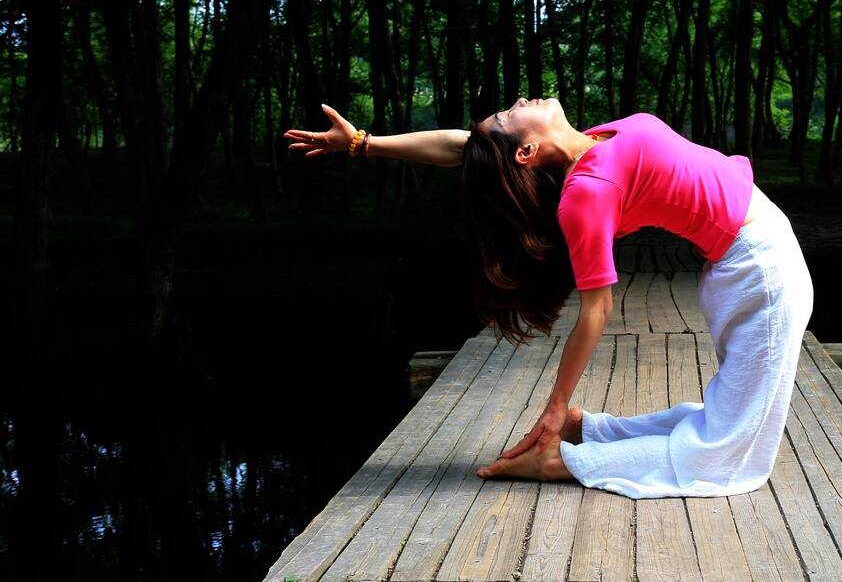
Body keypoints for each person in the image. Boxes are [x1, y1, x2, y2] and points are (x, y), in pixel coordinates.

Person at [284, 97, 814, 499]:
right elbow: (596, 309)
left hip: (750, 266)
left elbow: (463, 146)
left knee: (727, 422)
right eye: (510, 114)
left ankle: (594, 430)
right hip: (760, 268)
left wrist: (362, 144)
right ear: (527, 150)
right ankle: (561, 461)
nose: (518, 101)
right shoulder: (588, 192)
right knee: (728, 455)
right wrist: (554, 408)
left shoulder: (591, 147)